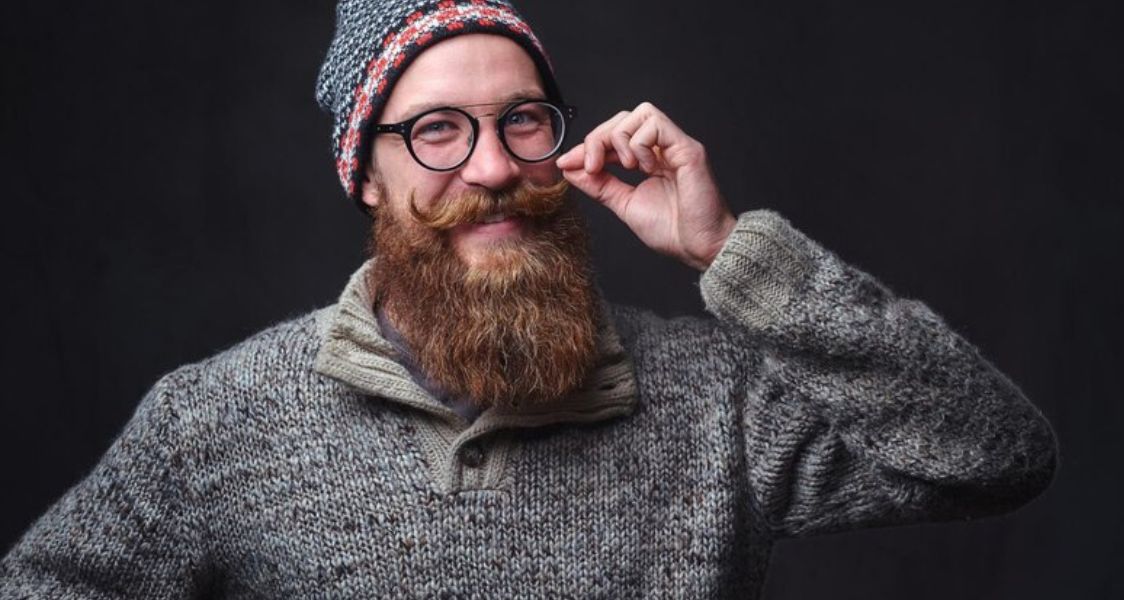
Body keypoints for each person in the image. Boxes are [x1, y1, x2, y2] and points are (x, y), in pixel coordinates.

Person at [0, 0, 1058, 597]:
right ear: (365, 173)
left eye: (523, 122)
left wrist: (730, 252)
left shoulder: (709, 401)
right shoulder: (215, 420)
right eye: (437, 131)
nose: (495, 168)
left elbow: (993, 451)